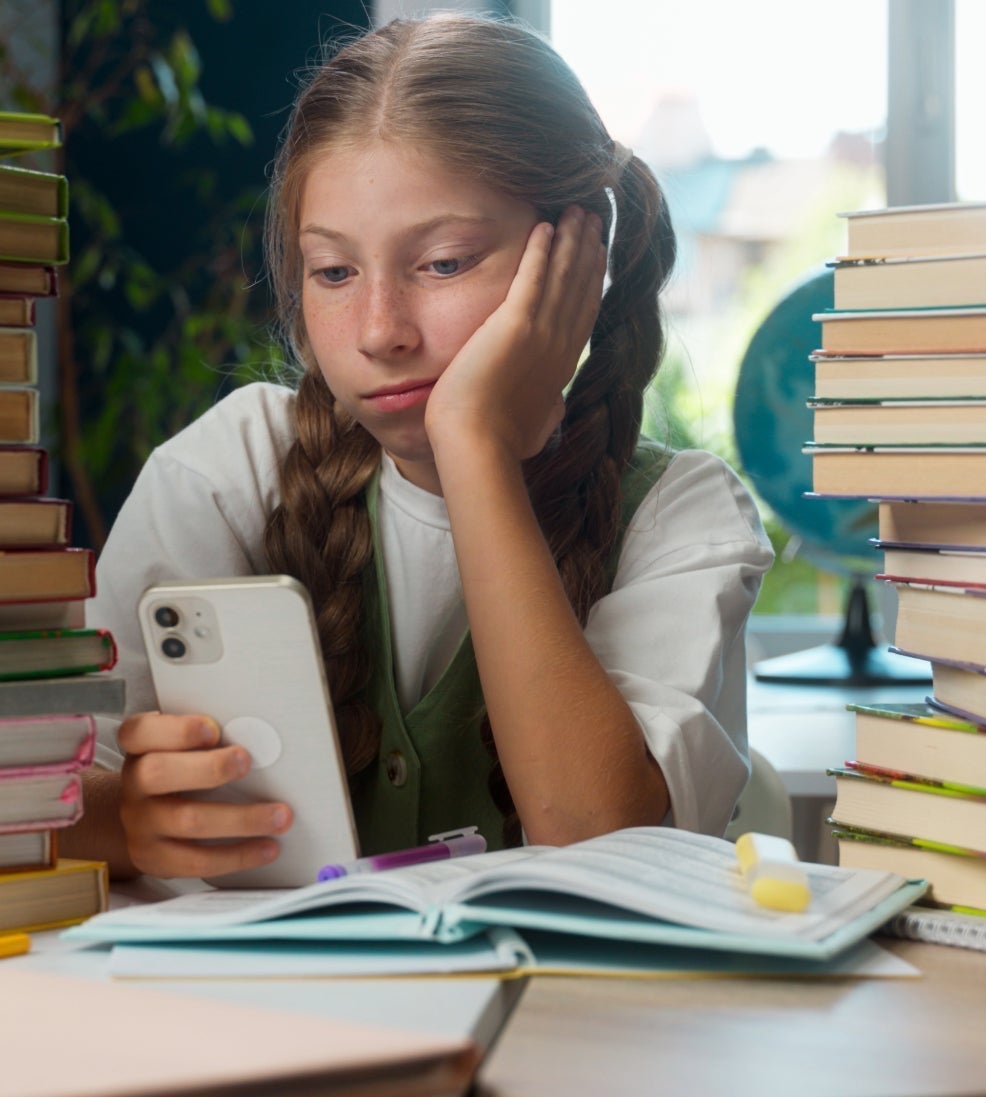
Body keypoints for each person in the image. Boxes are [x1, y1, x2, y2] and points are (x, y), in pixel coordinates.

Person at [67, 13, 774, 880]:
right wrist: (131, 821)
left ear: (580, 265)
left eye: (441, 263)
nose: (378, 331)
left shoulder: (681, 514)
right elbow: (50, 793)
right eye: (333, 271)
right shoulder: (232, 470)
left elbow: (595, 832)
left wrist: (472, 442)